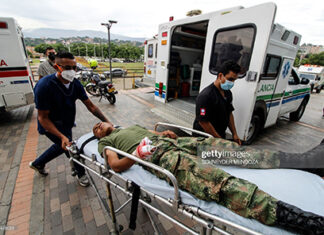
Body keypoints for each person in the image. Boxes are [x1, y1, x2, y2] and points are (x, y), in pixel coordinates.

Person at [93, 122, 324, 234]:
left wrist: (162, 133)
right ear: (99, 136)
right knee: (215, 180)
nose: (98, 126)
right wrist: (136, 154)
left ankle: (306, 162)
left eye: (99, 123)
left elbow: (152, 134)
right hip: (159, 155)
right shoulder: (106, 142)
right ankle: (301, 220)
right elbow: (115, 164)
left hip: (173, 143)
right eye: (95, 128)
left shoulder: (130, 126)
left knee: (227, 150)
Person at [29, 52, 111, 187]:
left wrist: (107, 121)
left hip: (66, 123)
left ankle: (37, 163)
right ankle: (81, 174)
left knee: (62, 147)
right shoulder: (44, 87)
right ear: (56, 67)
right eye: (67, 68)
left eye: (74, 68)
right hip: (51, 126)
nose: (72, 71)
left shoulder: (75, 84)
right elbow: (42, 118)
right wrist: (61, 136)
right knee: (72, 149)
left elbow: (91, 106)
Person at [193, 60, 242, 145]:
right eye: (230, 79)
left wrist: (234, 134)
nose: (232, 83)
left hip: (219, 135)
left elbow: (229, 113)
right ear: (220, 76)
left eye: (234, 80)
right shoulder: (206, 96)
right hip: (204, 139)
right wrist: (219, 140)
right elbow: (203, 122)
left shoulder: (228, 93)